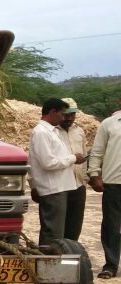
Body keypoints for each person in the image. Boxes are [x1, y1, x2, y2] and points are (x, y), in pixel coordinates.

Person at [29, 98, 84, 245]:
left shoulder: (50, 131)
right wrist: (73, 158)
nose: (63, 117)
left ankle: (55, 262)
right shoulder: (41, 132)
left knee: (58, 232)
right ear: (53, 112)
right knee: (53, 233)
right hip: (52, 188)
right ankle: (47, 264)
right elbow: (48, 163)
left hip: (59, 187)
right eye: (61, 113)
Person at [87, 103, 121, 278]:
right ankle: (111, 265)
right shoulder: (109, 123)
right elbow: (97, 152)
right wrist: (94, 174)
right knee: (111, 225)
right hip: (113, 183)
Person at [60, 98, 88, 240]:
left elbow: (84, 156)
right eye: (66, 114)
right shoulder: (51, 131)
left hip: (78, 185)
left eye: (73, 114)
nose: (69, 118)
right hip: (59, 186)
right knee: (56, 226)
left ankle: (71, 253)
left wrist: (86, 179)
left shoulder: (79, 131)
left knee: (75, 225)